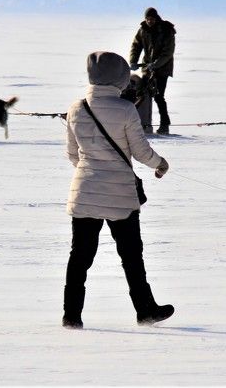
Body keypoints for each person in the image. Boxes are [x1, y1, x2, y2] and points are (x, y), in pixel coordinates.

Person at [62, 51, 173, 329]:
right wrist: (160, 164)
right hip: (120, 195)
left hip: (85, 191)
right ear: (119, 78)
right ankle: (145, 309)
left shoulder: (76, 108)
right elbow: (140, 151)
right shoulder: (126, 110)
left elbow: (73, 155)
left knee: (80, 256)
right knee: (131, 256)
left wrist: (91, 169)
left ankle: (71, 315)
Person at [129, 7, 176, 135]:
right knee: (141, 93)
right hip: (147, 68)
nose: (149, 21)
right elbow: (136, 45)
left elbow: (168, 52)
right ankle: (137, 123)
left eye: (151, 19)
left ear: (156, 18)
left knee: (158, 96)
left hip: (162, 69)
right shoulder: (143, 30)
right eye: (147, 19)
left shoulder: (166, 30)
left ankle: (164, 125)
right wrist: (133, 61)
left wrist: (156, 64)